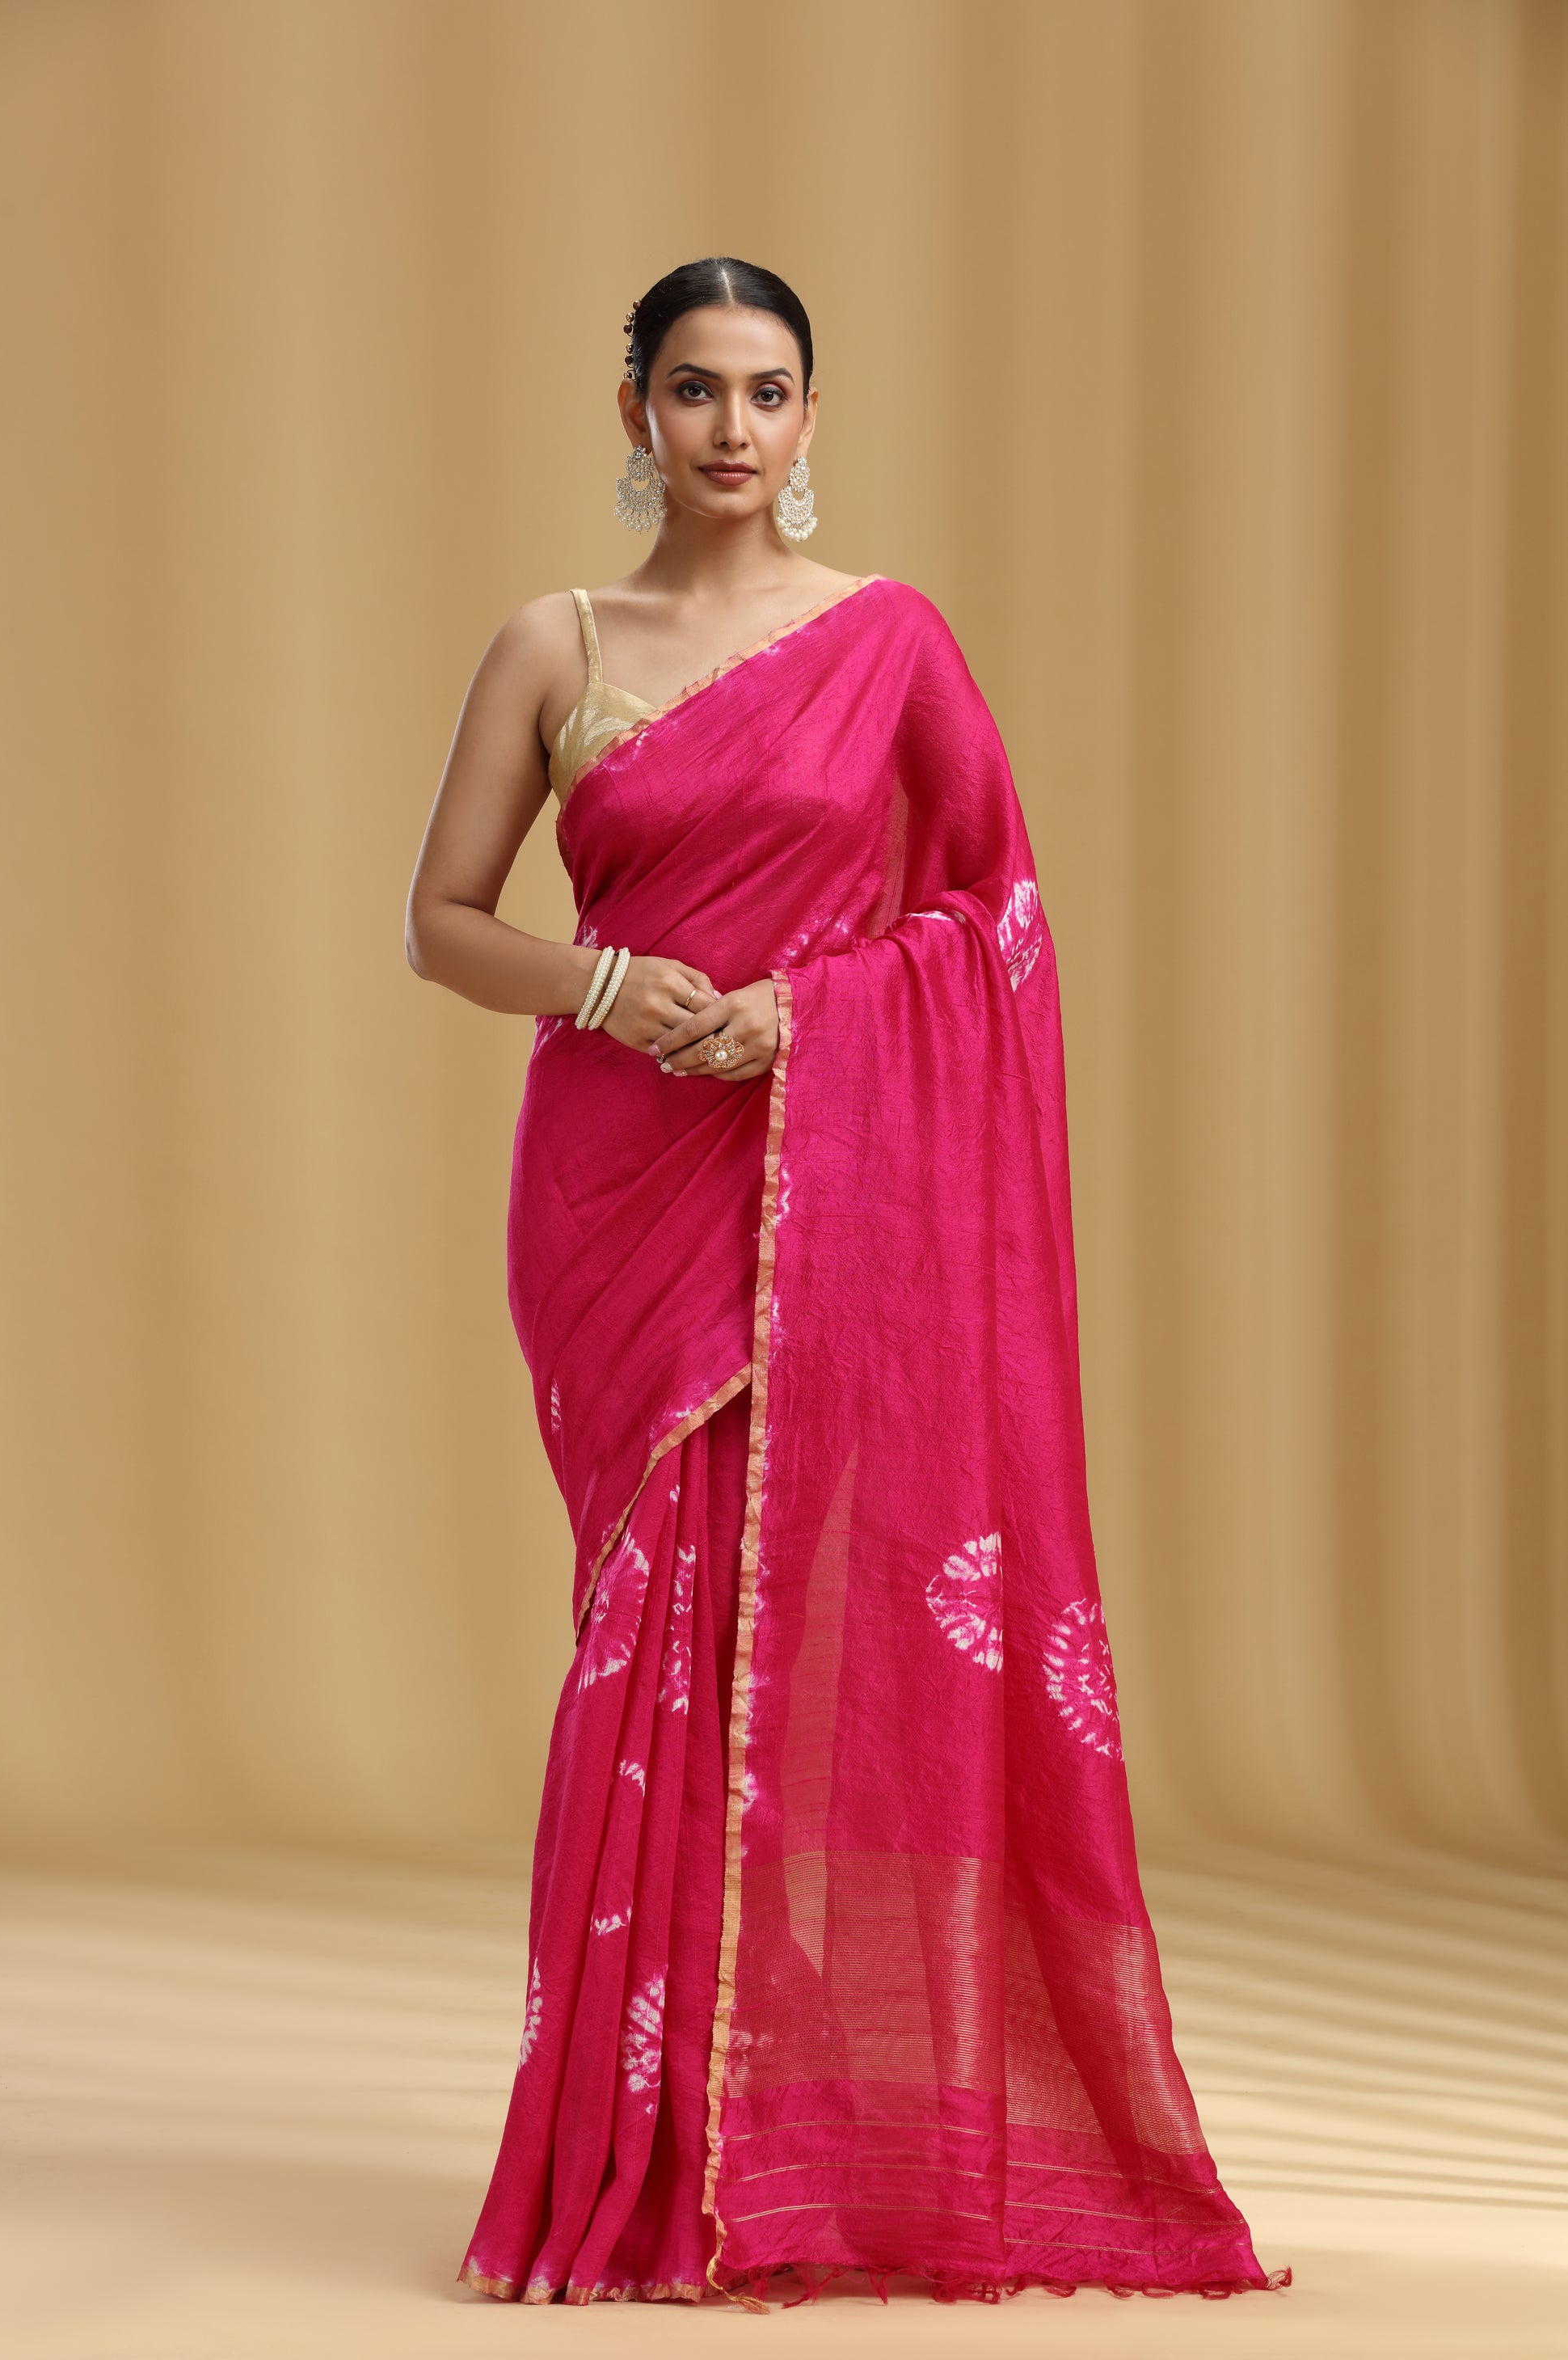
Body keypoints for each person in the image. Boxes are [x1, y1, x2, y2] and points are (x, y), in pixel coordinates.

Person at [405, 257, 1287, 2310]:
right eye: (692, 388)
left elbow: (994, 917)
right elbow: (444, 920)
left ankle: (786, 2140)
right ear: (632, 408)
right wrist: (608, 986)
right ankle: (629, 2157)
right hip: (617, 1187)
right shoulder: (555, 641)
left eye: (767, 390)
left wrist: (804, 1016)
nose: (730, 427)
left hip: (828, 1179)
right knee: (651, 1632)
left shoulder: (888, 645)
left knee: (789, 1634)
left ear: (811, 417)